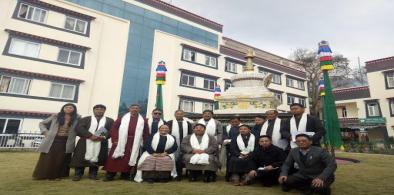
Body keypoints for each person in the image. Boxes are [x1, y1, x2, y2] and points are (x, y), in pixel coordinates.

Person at [33, 103, 80, 180]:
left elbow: (80, 128)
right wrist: (45, 132)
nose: (68, 108)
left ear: (74, 109)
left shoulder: (77, 118)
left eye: (70, 107)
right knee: (48, 158)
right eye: (66, 107)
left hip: (66, 141)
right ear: (63, 108)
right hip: (52, 140)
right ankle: (42, 175)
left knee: (61, 159)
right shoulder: (56, 116)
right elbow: (42, 123)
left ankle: (57, 175)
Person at [103, 104, 149, 181]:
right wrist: (115, 139)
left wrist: (144, 142)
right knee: (115, 158)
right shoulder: (122, 118)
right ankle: (110, 175)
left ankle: (125, 174)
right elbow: (114, 129)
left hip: (134, 142)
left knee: (128, 159)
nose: (135, 109)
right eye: (133, 108)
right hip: (120, 141)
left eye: (137, 108)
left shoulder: (143, 120)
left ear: (139, 110)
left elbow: (145, 132)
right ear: (129, 109)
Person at [69, 104, 114, 181]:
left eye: (101, 109)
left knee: (97, 158)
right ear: (94, 110)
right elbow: (79, 128)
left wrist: (99, 136)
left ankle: (93, 174)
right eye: (97, 109)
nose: (99, 110)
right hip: (85, 141)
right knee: (80, 158)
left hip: (100, 141)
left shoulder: (109, 120)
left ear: (104, 111)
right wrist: (90, 136)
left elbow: (111, 130)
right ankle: (78, 174)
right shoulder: (85, 119)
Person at [166, 110, 192, 180]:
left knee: (181, 159)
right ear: (175, 115)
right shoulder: (169, 123)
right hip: (172, 144)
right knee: (174, 158)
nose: (179, 115)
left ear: (183, 115)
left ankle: (179, 174)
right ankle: (171, 174)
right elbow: (166, 132)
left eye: (181, 114)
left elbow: (190, 134)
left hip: (185, 144)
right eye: (177, 114)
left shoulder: (188, 123)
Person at [222, 116, 242, 181]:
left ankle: (239, 174)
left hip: (240, 146)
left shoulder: (242, 128)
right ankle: (228, 175)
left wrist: (232, 140)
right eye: (232, 122)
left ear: (239, 121)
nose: (234, 123)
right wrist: (226, 140)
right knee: (229, 160)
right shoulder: (226, 128)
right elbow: (224, 135)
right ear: (230, 122)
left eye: (236, 121)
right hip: (229, 146)